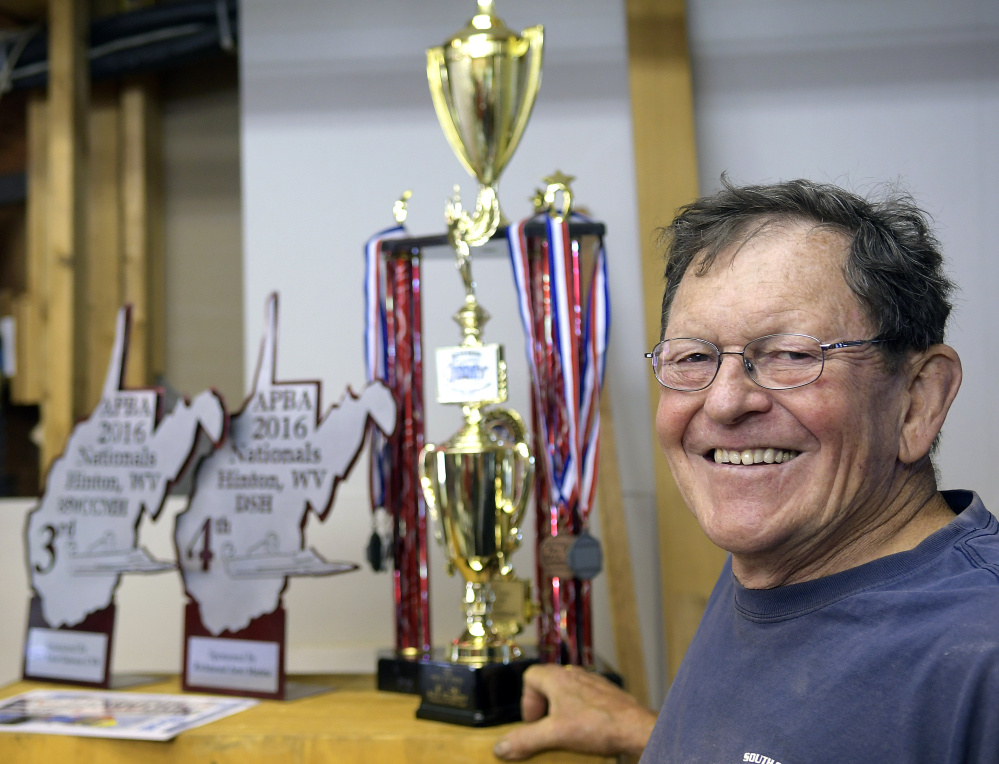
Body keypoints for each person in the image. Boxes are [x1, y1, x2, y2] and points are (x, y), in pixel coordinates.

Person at [494, 178, 999, 762]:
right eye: (693, 357)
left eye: (790, 354)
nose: (727, 402)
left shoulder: (980, 649)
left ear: (918, 400)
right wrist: (645, 733)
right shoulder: (780, 558)